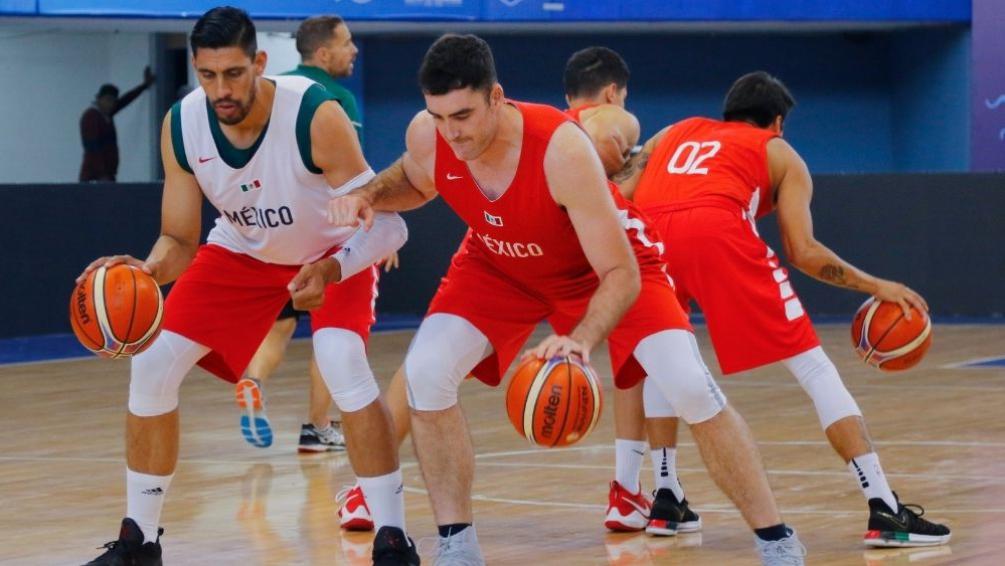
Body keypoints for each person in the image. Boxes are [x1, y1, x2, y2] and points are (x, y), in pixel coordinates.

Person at [328, 34, 805, 565]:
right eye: (438, 117)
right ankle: (457, 547)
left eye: (461, 115)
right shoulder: (430, 136)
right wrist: (367, 194)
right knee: (425, 371)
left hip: (601, 268)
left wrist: (580, 340)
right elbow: (417, 182)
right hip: (499, 265)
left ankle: (777, 540)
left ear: (496, 96)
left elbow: (619, 271)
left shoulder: (562, 148)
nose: (451, 133)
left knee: (691, 387)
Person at [77, 7, 418, 565]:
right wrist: (145, 270)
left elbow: (387, 223)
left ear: (260, 62)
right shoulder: (182, 124)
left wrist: (334, 268)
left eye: (233, 73)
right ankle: (141, 540)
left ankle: (392, 538)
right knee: (153, 361)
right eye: (207, 75)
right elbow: (179, 240)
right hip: (244, 252)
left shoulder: (314, 113)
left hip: (333, 253)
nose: (221, 89)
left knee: (339, 357)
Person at [617, 70, 952, 549]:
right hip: (718, 234)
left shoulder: (672, 133)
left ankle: (666, 496)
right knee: (812, 367)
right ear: (777, 122)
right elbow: (803, 250)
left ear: (727, 111)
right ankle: (883, 506)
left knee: (662, 359)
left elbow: (619, 190)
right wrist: (876, 284)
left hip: (649, 236)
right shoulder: (777, 151)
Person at [563, 45, 701, 537]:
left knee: (632, 369)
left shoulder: (554, 132)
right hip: (611, 257)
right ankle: (643, 489)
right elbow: (615, 185)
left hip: (555, 262)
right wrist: (653, 148)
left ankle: (636, 491)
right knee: (667, 362)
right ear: (611, 93)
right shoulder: (613, 121)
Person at [235, 14, 386, 454]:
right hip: (324, 237)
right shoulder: (332, 100)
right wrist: (369, 229)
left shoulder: (273, 91)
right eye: (346, 43)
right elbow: (345, 179)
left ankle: (254, 377)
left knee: (280, 326)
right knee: (332, 336)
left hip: (271, 234)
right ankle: (318, 427)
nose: (354, 49)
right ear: (323, 54)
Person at [79, 67, 156, 182]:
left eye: (113, 101)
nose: (110, 104)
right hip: (94, 176)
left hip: (108, 174)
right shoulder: (91, 116)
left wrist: (144, 86)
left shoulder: (106, 115)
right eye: (107, 100)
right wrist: (102, 174)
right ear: (99, 99)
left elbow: (125, 100)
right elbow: (92, 148)